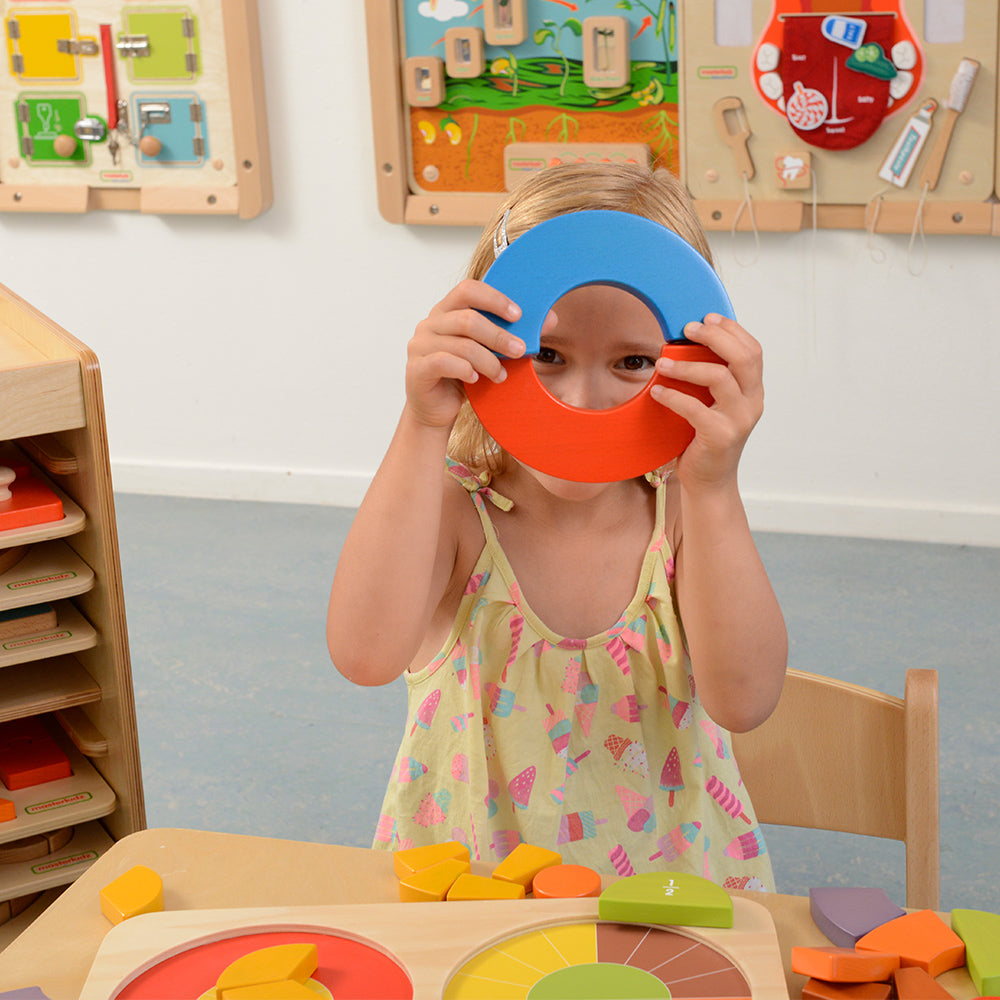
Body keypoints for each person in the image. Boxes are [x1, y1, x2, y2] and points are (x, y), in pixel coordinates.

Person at [327, 163, 787, 891]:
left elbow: (746, 699)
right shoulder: (452, 507)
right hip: (474, 891)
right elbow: (362, 656)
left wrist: (715, 485)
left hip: (662, 901)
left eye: (633, 361)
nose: (585, 398)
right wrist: (421, 424)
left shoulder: (684, 515)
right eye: (548, 354)